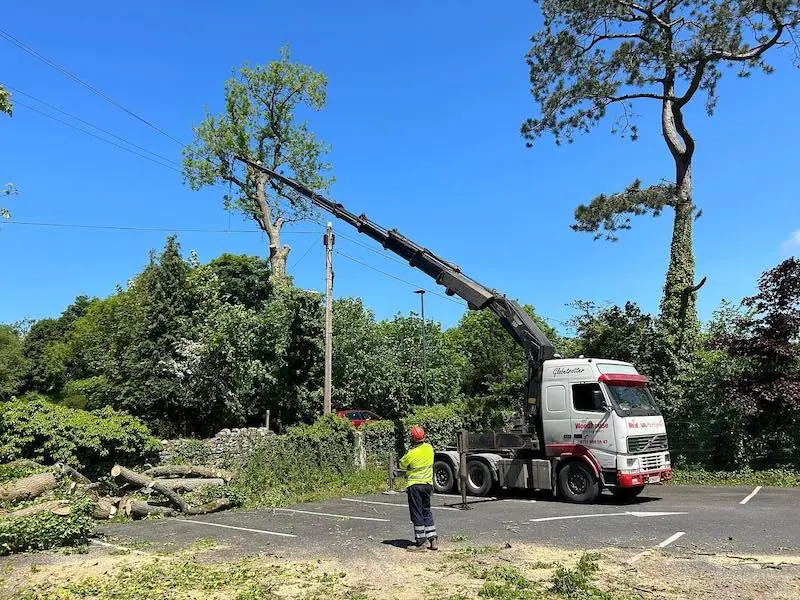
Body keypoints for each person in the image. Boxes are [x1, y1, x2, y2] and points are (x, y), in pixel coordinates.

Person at [398, 425, 437, 551]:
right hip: (427, 485)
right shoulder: (429, 448)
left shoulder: (411, 453)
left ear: (412, 439)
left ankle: (421, 542)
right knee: (426, 510)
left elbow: (402, 464)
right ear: (424, 437)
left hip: (414, 485)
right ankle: (433, 539)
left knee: (417, 512)